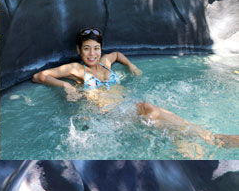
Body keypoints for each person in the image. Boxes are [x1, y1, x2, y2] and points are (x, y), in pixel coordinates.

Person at [32, 28, 239, 148]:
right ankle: (213, 138)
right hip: (108, 116)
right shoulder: (76, 69)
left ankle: (189, 148)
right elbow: (39, 76)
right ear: (79, 50)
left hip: (126, 107)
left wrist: (132, 65)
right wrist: (65, 86)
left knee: (168, 129)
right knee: (148, 108)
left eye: (96, 48)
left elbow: (118, 54)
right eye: (86, 49)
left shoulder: (105, 61)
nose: (92, 53)